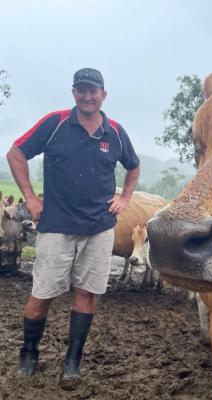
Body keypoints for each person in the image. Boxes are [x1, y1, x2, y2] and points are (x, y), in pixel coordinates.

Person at [6, 68, 140, 383]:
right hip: (56, 226)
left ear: (103, 95)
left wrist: (126, 197)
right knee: (42, 293)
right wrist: (30, 198)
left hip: (99, 228)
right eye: (82, 90)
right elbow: (15, 153)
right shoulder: (56, 123)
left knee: (86, 295)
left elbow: (133, 166)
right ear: (74, 93)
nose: (87, 96)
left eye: (93, 90)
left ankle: (73, 362)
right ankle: (29, 354)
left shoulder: (116, 132)